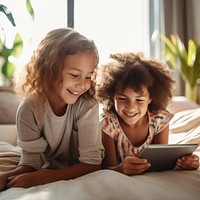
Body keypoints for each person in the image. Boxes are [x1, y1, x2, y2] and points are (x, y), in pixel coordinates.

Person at [0, 28, 104, 190]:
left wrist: (44, 177)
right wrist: (6, 177)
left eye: (88, 76)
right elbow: (31, 162)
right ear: (49, 69)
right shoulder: (28, 108)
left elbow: (92, 164)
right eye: (74, 75)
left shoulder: (87, 105)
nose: (83, 84)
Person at [95, 52, 199, 176]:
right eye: (122, 98)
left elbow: (161, 162)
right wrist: (121, 169)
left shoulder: (160, 119)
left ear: (151, 98)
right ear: (112, 97)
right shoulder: (107, 124)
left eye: (139, 100)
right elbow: (107, 168)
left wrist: (183, 163)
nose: (131, 107)